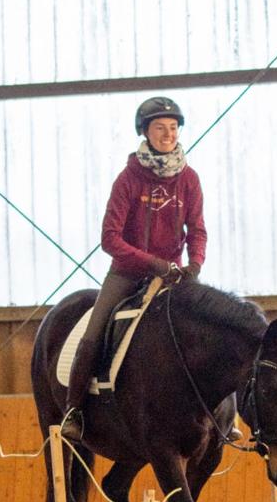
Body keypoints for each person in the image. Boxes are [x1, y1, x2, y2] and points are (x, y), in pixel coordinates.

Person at [61, 96, 206, 441]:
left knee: (207, 331)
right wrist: (154, 263)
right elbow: (110, 239)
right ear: (145, 132)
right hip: (127, 273)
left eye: (172, 128)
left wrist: (196, 263)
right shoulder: (127, 180)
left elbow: (197, 229)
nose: (168, 134)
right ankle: (74, 409)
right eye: (160, 128)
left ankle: (217, 413)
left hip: (174, 275)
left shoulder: (189, 179)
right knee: (94, 331)